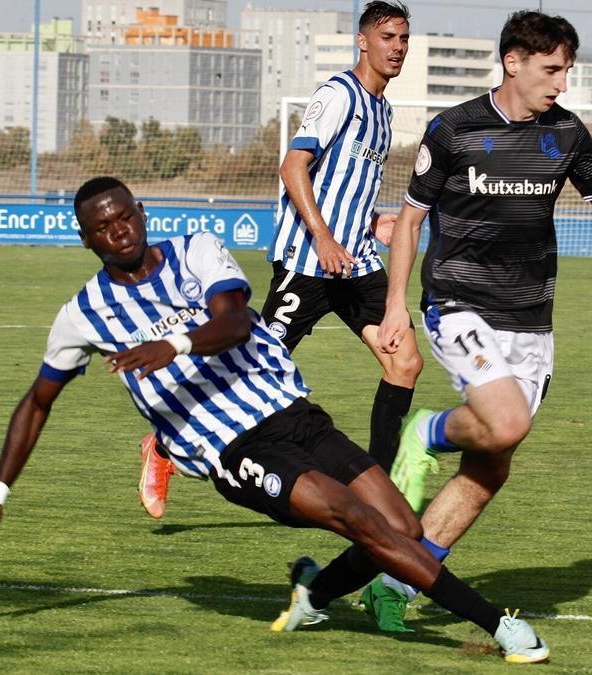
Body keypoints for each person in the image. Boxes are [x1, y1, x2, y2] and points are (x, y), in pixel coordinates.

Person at [0, 177, 549, 665]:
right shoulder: (82, 315)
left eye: (125, 217)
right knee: (357, 519)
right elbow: (37, 402)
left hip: (291, 413)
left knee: (403, 529)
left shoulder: (197, 249)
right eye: (102, 228)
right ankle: (498, 626)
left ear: (142, 212)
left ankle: (313, 593)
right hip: (231, 449)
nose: (119, 232)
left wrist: (175, 346)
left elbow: (236, 321)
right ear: (87, 240)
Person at [361, 10, 592, 631]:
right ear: (514, 61)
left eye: (567, 70)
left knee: (491, 466)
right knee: (503, 425)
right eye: (552, 69)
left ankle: (395, 583)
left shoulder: (566, 135)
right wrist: (397, 302)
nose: (561, 83)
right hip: (457, 303)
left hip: (531, 319)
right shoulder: (453, 129)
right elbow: (412, 220)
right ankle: (426, 432)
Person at [137, 1, 423, 520]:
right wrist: (322, 237)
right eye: (387, 37)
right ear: (363, 41)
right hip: (308, 263)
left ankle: (378, 489)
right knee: (243, 371)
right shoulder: (339, 96)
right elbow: (294, 166)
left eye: (403, 38)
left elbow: (349, 188)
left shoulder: (383, 112)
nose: (397, 47)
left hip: (354, 262)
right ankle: (162, 446)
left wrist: (371, 224)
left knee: (403, 360)